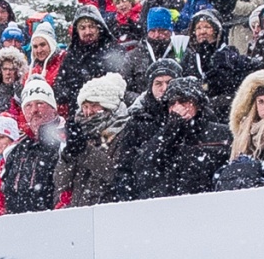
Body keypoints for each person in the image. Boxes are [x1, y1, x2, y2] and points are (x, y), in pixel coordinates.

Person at [125, 77, 230, 199]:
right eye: (171, 103)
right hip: (171, 206)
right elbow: (144, 169)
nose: (177, 108)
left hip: (211, 203)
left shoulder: (221, 133)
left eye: (183, 101)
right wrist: (169, 131)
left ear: (197, 104)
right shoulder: (164, 136)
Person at [56, 74, 132, 207]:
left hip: (108, 211)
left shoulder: (125, 132)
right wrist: (68, 155)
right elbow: (61, 182)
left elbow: (116, 174)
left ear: (109, 105)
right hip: (79, 211)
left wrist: (85, 151)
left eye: (94, 105)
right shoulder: (80, 133)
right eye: (85, 106)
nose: (88, 112)